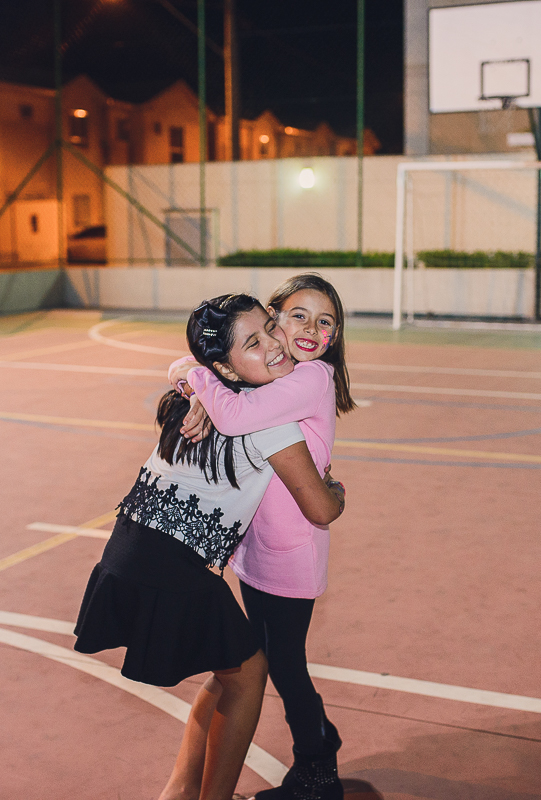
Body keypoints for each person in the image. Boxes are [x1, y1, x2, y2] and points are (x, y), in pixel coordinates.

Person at [73, 293, 346, 800]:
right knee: (249, 676)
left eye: (270, 328)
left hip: (129, 548)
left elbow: (192, 369)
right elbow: (321, 509)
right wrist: (335, 487)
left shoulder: (197, 399)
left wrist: (199, 381)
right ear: (224, 365)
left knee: (229, 673)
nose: (274, 344)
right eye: (254, 341)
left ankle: (178, 792)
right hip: (173, 566)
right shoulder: (269, 422)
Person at [169, 274, 356, 800]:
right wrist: (197, 378)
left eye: (326, 321)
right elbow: (183, 364)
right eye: (297, 315)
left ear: (335, 336)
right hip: (255, 550)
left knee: (284, 664)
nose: (311, 329)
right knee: (273, 657)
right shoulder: (279, 370)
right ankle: (321, 736)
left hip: (291, 555)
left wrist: (207, 389)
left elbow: (236, 416)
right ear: (273, 318)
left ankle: (318, 768)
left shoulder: (311, 377)